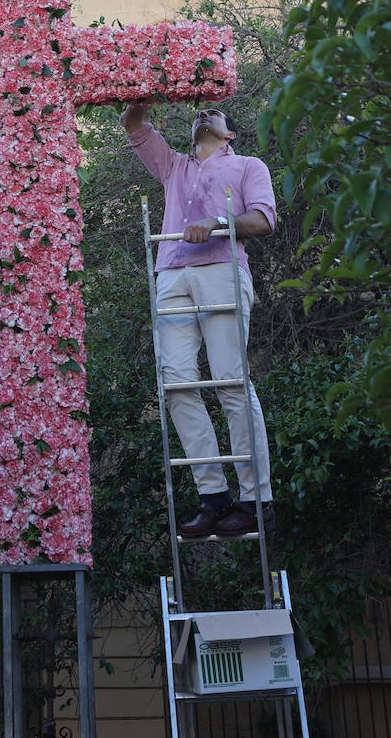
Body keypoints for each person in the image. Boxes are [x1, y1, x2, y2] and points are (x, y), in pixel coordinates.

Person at [121, 102, 276, 538]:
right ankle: (213, 496)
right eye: (199, 111)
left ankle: (256, 499)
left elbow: (264, 220)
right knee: (176, 384)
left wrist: (217, 222)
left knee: (230, 382)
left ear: (228, 135)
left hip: (221, 270)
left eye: (217, 113)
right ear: (193, 134)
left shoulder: (247, 165)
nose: (206, 112)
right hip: (171, 273)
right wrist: (145, 88)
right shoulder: (173, 166)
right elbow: (133, 124)